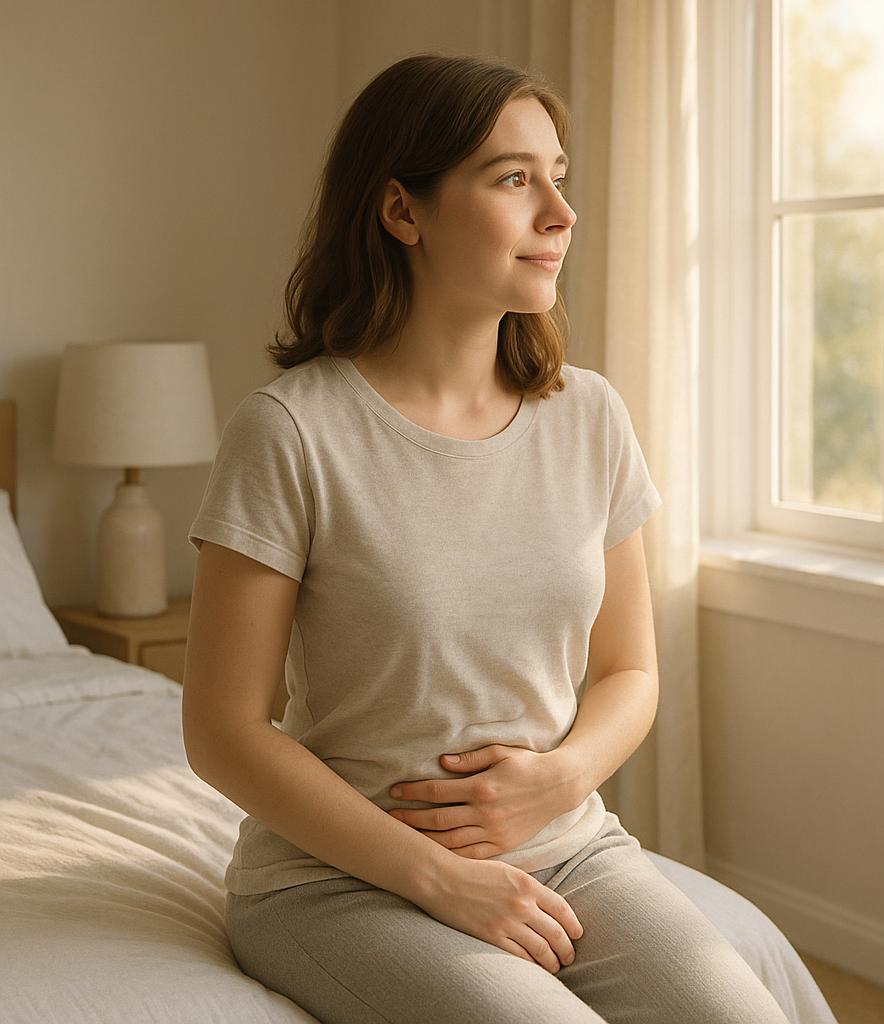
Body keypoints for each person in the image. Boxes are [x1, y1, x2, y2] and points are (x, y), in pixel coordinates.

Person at [181, 51, 790, 1024]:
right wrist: (438, 875)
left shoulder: (588, 415)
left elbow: (629, 670)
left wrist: (562, 775)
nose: (561, 211)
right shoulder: (292, 430)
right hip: (339, 881)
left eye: (559, 175)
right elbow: (224, 730)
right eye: (515, 178)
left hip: (568, 846)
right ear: (401, 211)